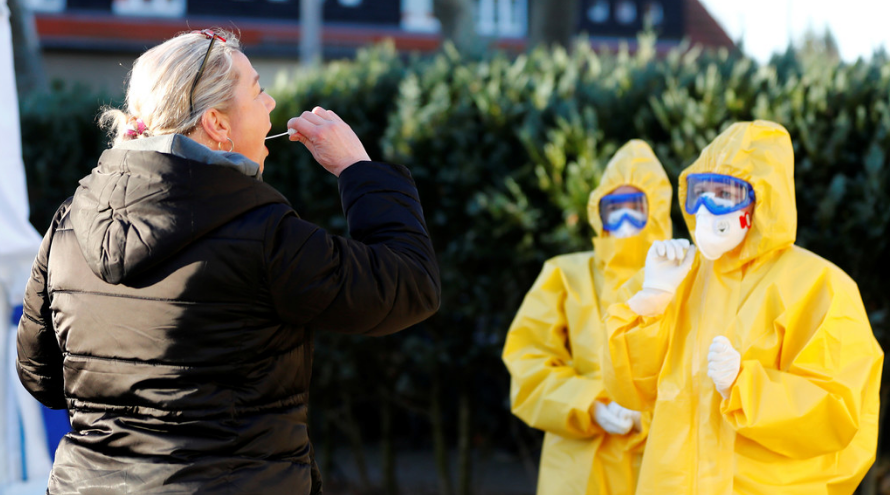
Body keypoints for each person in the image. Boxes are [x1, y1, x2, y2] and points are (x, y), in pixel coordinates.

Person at [15, 29, 441, 494]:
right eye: (257, 90)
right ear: (218, 125)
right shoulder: (259, 231)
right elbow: (408, 287)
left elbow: (40, 376)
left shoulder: (68, 222)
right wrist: (358, 170)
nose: (272, 102)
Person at [601, 120, 883, 494]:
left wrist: (745, 385)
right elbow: (628, 388)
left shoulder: (821, 286)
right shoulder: (675, 274)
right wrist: (650, 302)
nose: (707, 207)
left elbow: (838, 411)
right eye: (700, 192)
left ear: (761, 200)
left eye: (725, 194)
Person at [502, 140, 672, 495]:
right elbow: (527, 362)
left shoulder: (685, 276)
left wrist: (659, 415)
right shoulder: (564, 275)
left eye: (636, 207)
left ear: (656, 210)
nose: (624, 220)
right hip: (579, 466)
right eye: (615, 208)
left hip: (664, 460)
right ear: (599, 212)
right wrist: (588, 403)